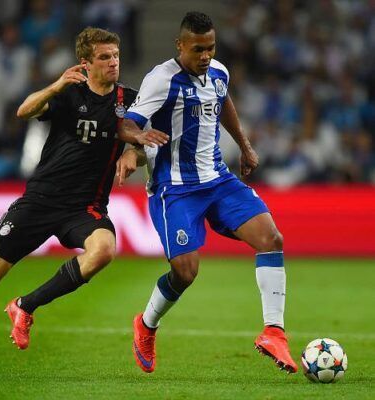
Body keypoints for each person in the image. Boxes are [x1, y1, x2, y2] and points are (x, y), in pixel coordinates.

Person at [0, 27, 166, 378]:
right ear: (85, 63)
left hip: (84, 207)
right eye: (105, 57)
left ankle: (26, 305)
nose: (113, 63)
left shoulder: (130, 100)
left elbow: (143, 135)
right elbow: (23, 111)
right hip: (41, 200)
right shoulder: (69, 93)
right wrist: (56, 84)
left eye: (116, 56)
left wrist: (133, 154)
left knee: (104, 249)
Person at [117, 11, 298, 374]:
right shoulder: (160, 79)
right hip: (175, 189)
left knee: (271, 238)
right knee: (185, 271)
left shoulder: (218, 72)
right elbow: (126, 124)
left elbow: (224, 100)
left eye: (211, 48)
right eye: (198, 49)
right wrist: (137, 140)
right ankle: (147, 324)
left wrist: (244, 146)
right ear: (180, 45)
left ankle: (274, 332)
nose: (205, 56)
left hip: (217, 179)